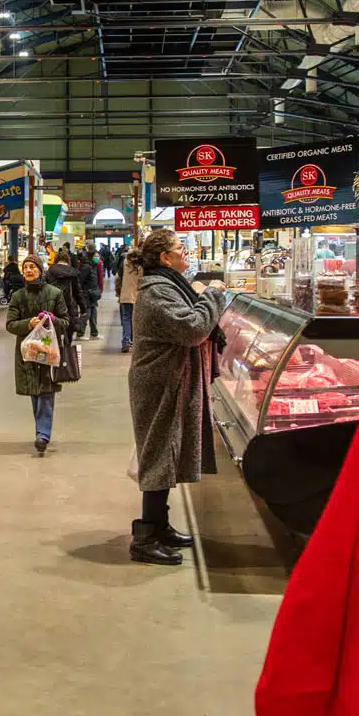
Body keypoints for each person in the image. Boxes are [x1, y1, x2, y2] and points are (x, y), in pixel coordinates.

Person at [127, 228, 228, 565]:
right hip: (159, 385)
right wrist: (212, 294)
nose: (186, 252)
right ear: (164, 258)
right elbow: (193, 329)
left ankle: (160, 525)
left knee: (168, 453)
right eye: (180, 248)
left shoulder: (168, 286)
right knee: (159, 455)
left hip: (171, 382)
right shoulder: (157, 292)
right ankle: (144, 538)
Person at [4, 254, 70, 456]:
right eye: (26, 268)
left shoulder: (55, 293)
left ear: (41, 270)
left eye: (33, 267)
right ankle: (41, 431)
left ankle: (42, 434)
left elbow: (66, 321)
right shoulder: (18, 296)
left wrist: (52, 321)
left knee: (46, 393)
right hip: (27, 352)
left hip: (49, 351)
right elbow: (10, 324)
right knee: (35, 392)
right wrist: (28, 324)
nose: (29, 270)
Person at [45, 249, 88, 345]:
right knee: (69, 333)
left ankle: (56, 352)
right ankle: (67, 352)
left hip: (53, 307)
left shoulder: (49, 272)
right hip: (70, 307)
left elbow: (44, 290)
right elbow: (78, 292)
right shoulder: (73, 273)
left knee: (54, 332)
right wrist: (83, 308)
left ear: (56, 260)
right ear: (68, 260)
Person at [118, 247, 142, 353]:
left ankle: (126, 342)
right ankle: (135, 341)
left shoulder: (125, 264)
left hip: (126, 295)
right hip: (138, 296)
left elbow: (119, 274)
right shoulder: (142, 267)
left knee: (126, 319)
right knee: (136, 320)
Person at [78, 247, 102, 340]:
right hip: (87, 294)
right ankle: (80, 333)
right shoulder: (86, 267)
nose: (98, 258)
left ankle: (94, 333)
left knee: (93, 313)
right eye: (96, 256)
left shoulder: (93, 266)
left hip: (93, 294)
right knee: (86, 313)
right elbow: (81, 280)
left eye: (98, 256)